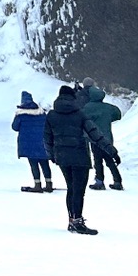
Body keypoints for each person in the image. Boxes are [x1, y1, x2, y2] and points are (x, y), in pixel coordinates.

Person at [44, 84, 112, 233]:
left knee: (71, 188)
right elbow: (95, 134)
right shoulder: (79, 114)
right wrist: (110, 150)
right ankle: (77, 222)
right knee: (79, 190)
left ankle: (72, 220)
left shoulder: (51, 115)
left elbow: (47, 138)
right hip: (80, 156)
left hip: (62, 157)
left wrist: (52, 156)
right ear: (73, 97)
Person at [81, 84, 123, 190]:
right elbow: (117, 114)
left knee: (97, 160)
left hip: (94, 138)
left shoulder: (88, 107)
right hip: (107, 138)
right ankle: (117, 181)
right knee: (109, 160)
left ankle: (99, 181)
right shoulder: (108, 107)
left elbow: (82, 119)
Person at [12, 91, 54, 192]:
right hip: (42, 142)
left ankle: (37, 184)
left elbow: (15, 127)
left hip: (28, 143)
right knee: (44, 163)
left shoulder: (20, 115)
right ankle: (49, 184)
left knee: (34, 164)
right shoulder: (41, 113)